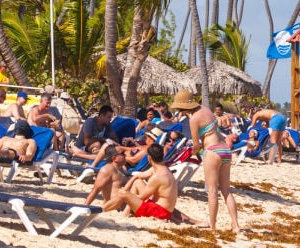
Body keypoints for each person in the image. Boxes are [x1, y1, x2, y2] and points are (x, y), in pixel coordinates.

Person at [172, 89, 240, 233]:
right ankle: (236, 225)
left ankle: (213, 226)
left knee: (212, 191)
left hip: (212, 151)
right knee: (226, 191)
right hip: (225, 150)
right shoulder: (206, 110)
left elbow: (196, 144)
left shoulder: (193, 119)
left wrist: (193, 152)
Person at [103, 142, 198, 224]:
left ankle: (103, 209)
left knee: (124, 194)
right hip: (163, 209)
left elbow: (142, 197)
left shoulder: (157, 177)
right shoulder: (161, 169)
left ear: (149, 158)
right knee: (138, 182)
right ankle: (126, 212)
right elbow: (138, 176)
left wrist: (125, 194)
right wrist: (132, 181)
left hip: (159, 213)